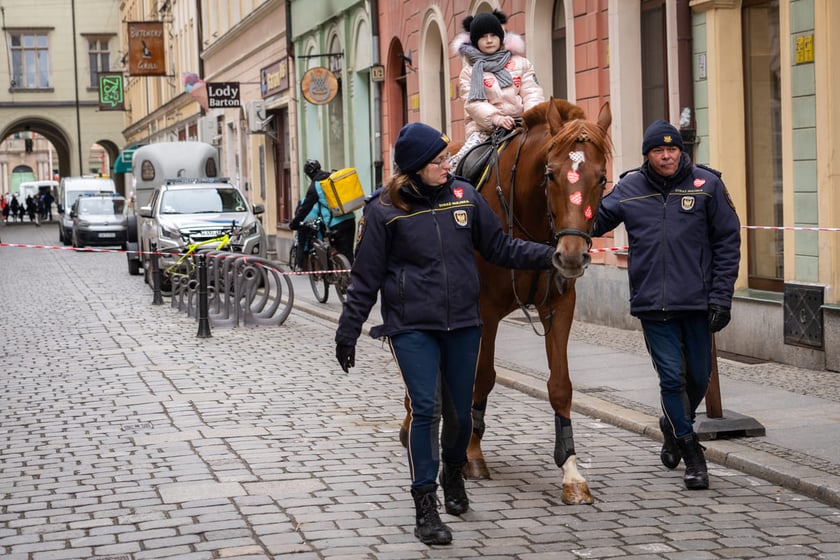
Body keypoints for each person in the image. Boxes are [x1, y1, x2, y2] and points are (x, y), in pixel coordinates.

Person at [333, 122, 557, 545]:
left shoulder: (465, 197)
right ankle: (425, 503)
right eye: (438, 160)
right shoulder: (384, 210)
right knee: (425, 409)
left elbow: (500, 248)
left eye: (445, 159)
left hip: (463, 324)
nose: (447, 164)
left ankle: (453, 471)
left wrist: (551, 256)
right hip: (411, 326)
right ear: (417, 167)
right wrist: (348, 331)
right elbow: (365, 278)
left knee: (460, 415)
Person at [591, 119, 741, 491]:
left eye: (672, 149)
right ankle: (692, 453)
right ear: (647, 155)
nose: (667, 156)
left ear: (681, 151)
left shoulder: (707, 185)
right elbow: (593, 222)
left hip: (698, 303)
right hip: (653, 304)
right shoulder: (629, 187)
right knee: (671, 377)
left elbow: (728, 242)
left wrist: (722, 297)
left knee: (698, 378)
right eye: (658, 150)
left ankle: (672, 424)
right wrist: (577, 189)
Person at [450, 10, 544, 166]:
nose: (489, 40)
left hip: (523, 124)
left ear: (501, 37)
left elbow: (532, 92)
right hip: (485, 130)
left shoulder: (521, 63)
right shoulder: (469, 72)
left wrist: (531, 117)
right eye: (482, 37)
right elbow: (473, 103)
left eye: (493, 35)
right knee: (463, 163)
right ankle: (461, 189)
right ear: (475, 41)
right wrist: (497, 119)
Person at [289, 159, 356, 268]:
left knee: (337, 252)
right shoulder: (332, 177)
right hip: (350, 218)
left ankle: (342, 276)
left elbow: (305, 209)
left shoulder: (315, 186)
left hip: (335, 224)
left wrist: (294, 224)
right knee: (349, 254)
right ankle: (352, 278)